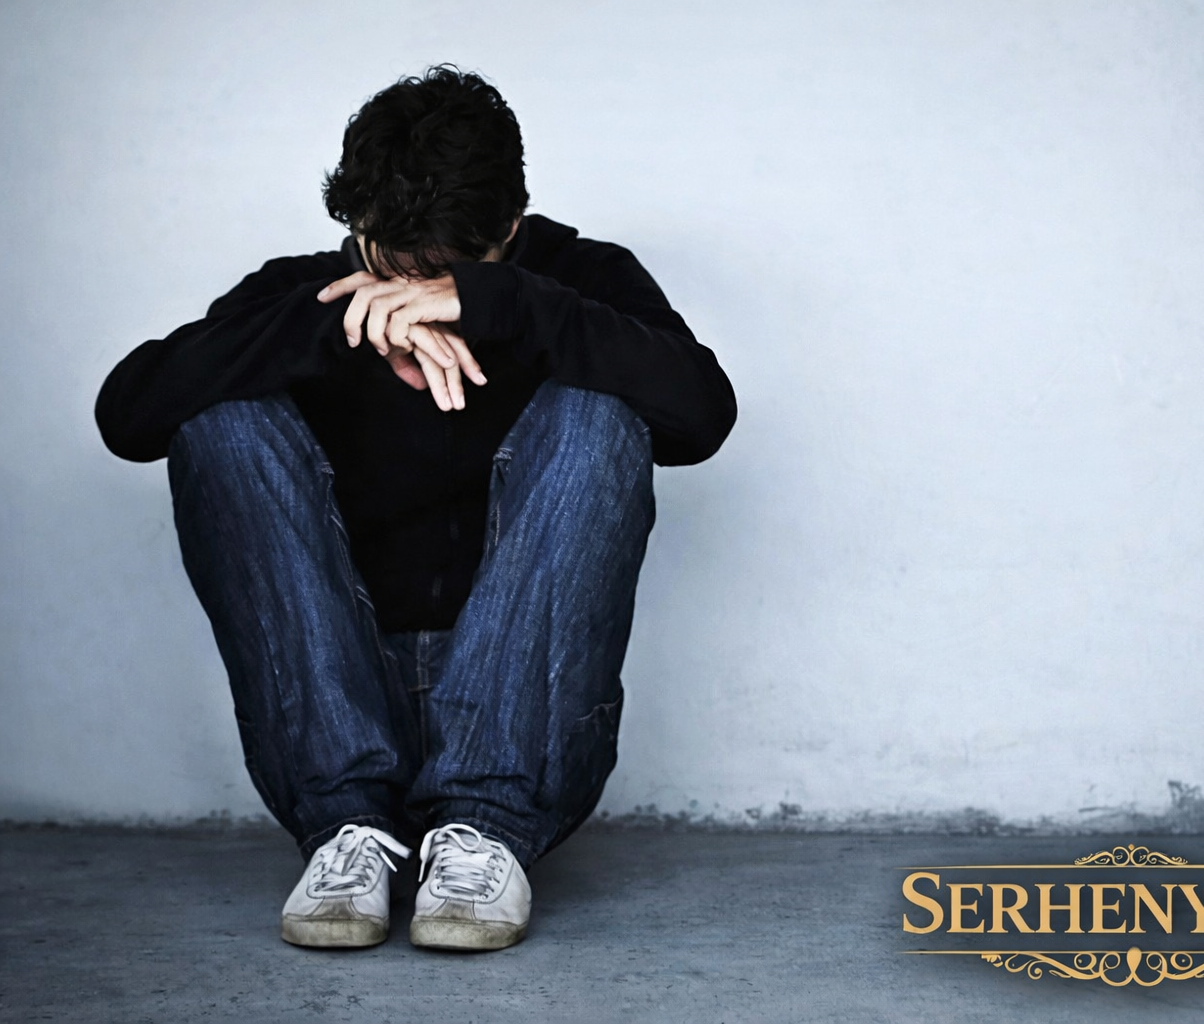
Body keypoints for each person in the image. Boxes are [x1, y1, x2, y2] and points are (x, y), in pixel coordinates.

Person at [93, 65, 736, 952]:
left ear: (510, 227)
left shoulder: (580, 279)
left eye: (444, 275)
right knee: (221, 421)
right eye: (387, 267)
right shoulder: (308, 292)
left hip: (528, 719)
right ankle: (346, 828)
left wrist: (505, 305)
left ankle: (484, 828)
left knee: (601, 412)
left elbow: (703, 417)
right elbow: (127, 416)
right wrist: (331, 323)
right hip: (332, 713)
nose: (412, 296)